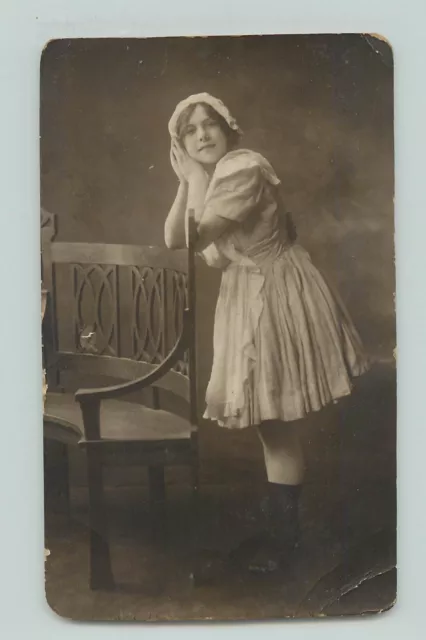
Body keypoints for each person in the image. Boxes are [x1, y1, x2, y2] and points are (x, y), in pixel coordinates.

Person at [164, 92, 370, 572]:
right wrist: (185, 183)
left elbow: (197, 236)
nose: (202, 135)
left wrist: (194, 178)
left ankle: (285, 545)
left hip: (276, 295)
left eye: (209, 124)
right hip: (249, 298)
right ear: (182, 145)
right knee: (270, 425)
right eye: (190, 131)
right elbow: (175, 238)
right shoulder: (212, 181)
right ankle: (284, 538)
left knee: (274, 423)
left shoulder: (243, 167)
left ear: (228, 128)